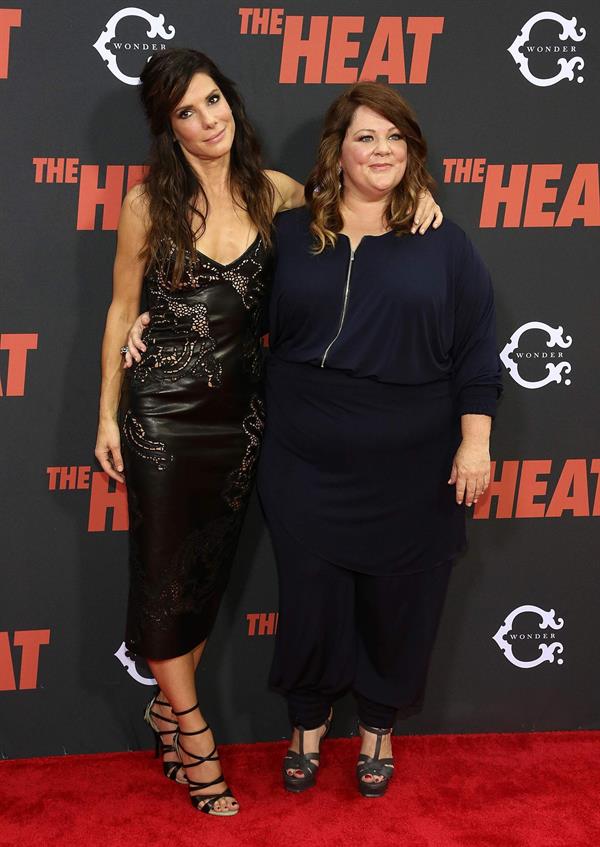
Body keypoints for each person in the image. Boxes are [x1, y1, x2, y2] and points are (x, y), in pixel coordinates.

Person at [96, 50, 441, 817]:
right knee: (161, 578)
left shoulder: (281, 193)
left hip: (247, 417)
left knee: (205, 577)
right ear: (168, 127)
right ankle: (193, 734)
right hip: (161, 413)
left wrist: (417, 198)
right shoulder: (147, 203)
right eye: (187, 111)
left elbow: (362, 201)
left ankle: (162, 711)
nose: (207, 119)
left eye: (213, 100)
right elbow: (123, 309)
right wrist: (105, 412)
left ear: (231, 101)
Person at [255, 81, 502, 798]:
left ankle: (377, 732)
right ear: (338, 149)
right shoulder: (294, 233)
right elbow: (233, 311)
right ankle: (305, 724)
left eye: (394, 137)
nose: (381, 150)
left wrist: (475, 442)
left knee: (401, 601)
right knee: (310, 596)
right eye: (366, 136)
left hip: (413, 461)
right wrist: (155, 325)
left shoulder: (443, 243)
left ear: (412, 150)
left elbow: (477, 349)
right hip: (303, 454)